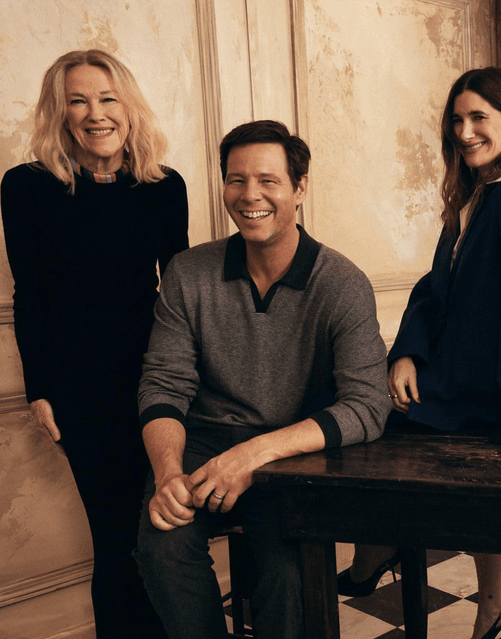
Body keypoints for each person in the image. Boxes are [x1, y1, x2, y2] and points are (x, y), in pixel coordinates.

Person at [338, 67, 501, 639]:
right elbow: (431, 288)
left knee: (355, 410)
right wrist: (405, 353)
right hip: (442, 370)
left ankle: (383, 543)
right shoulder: (475, 193)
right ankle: (454, 580)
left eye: (480, 118)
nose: (465, 131)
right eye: (457, 119)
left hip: (476, 382)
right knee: (357, 400)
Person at [134, 120, 390, 639]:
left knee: (288, 578)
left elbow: (367, 406)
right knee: (160, 546)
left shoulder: (342, 283)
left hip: (295, 451)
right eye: (236, 179)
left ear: (299, 187)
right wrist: (166, 474)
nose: (250, 195)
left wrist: (254, 456)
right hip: (202, 443)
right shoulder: (188, 273)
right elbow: (164, 385)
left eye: (268, 180)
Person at [1, 49, 187, 639]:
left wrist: (190, 379)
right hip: (79, 393)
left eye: (107, 98)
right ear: (60, 113)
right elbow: (29, 292)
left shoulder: (163, 186)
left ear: (128, 108)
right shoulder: (27, 188)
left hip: (155, 382)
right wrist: (40, 390)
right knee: (115, 539)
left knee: (158, 530)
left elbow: (179, 292)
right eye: (77, 100)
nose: (94, 113)